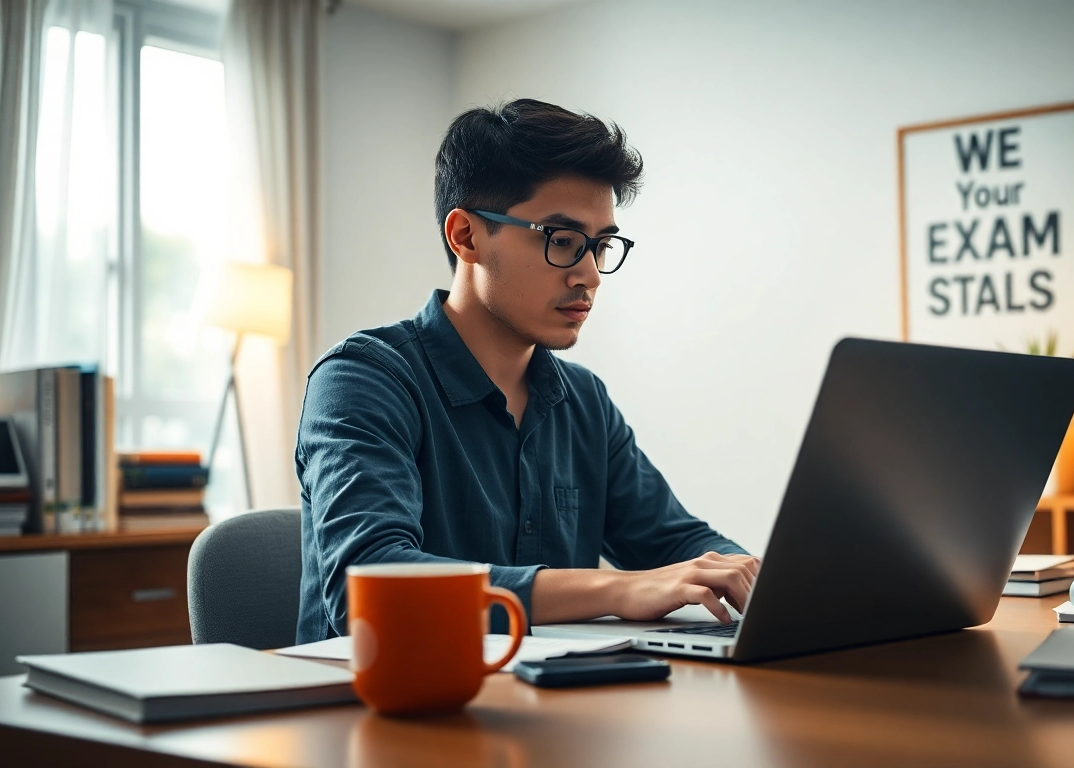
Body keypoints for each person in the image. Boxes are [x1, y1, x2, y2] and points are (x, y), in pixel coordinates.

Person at [295, 99, 759, 642]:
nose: (590, 274)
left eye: (601, 245)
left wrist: (761, 578)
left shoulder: (583, 400)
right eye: (562, 242)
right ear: (466, 236)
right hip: (378, 713)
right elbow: (369, 589)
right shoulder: (362, 380)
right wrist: (619, 589)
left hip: (547, 705)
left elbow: (674, 543)